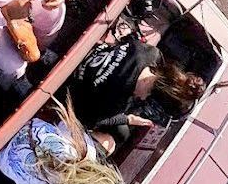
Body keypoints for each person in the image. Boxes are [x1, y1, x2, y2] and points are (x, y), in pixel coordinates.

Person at [68, 37, 206, 143]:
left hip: (83, 44)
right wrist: (128, 118)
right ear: (153, 101)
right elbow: (81, 120)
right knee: (121, 135)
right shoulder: (115, 103)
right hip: (65, 75)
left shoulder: (150, 53)